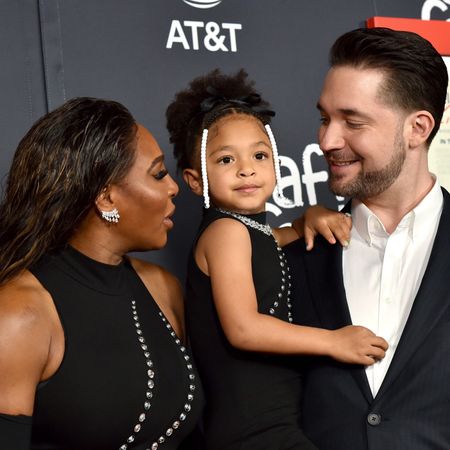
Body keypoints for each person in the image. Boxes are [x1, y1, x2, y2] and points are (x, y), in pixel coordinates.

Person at [165, 69, 388, 450]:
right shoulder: (226, 233)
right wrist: (334, 342)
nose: (246, 168)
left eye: (258, 154)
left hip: (273, 422)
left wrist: (308, 218)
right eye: (224, 160)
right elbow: (244, 329)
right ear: (195, 181)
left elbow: (275, 238)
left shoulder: (247, 231)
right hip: (252, 429)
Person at [0, 97, 204, 450]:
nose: (173, 187)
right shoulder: (19, 315)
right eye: (157, 174)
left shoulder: (162, 288)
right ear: (106, 198)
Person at [285, 27, 450, 450]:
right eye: (325, 118)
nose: (327, 140)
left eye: (352, 121)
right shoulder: (296, 253)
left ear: (418, 128)